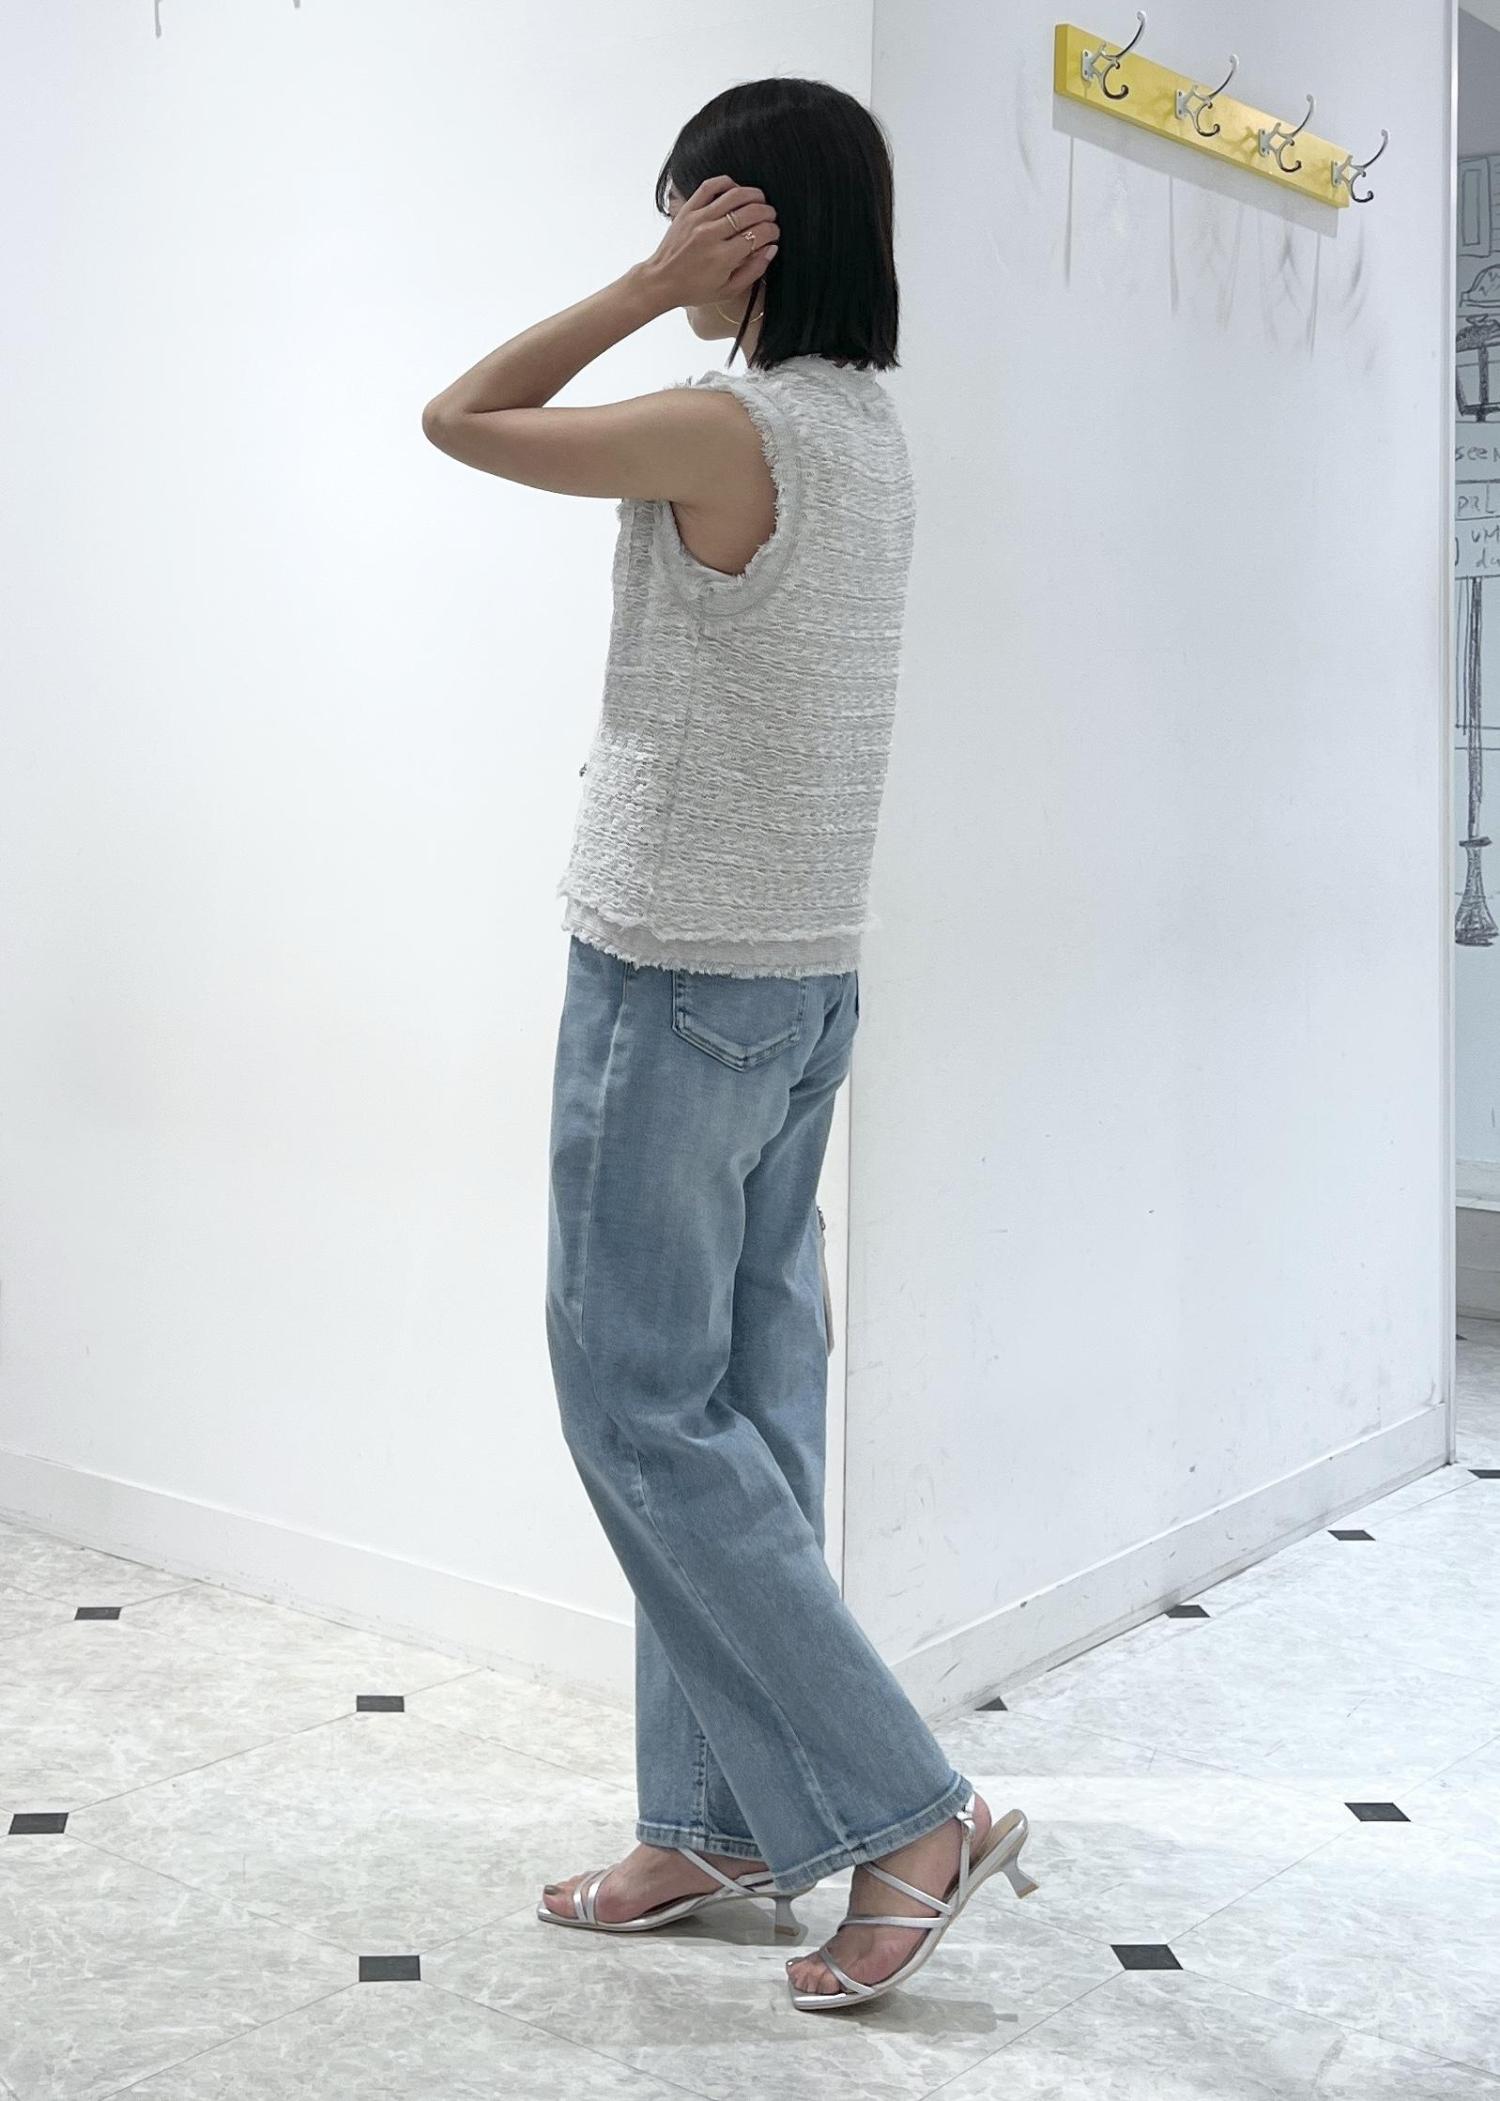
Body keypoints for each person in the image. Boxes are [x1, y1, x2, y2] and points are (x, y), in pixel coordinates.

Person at [422, 74, 1035, 2012]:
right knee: (749, 1415)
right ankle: (717, 1821)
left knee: (638, 1409)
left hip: (676, 975)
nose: (672, 245)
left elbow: (461, 417)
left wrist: (636, 286)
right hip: (798, 984)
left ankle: (907, 1812)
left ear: (735, 219)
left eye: (688, 212)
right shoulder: (866, 431)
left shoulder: (731, 422)